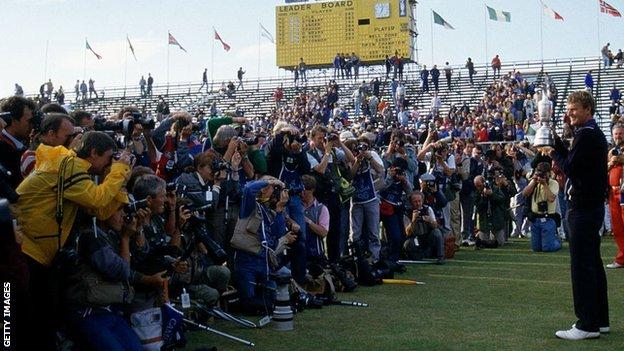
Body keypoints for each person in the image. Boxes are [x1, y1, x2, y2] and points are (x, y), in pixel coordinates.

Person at [14, 131, 132, 350]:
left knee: (41, 318)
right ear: (94, 153)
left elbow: (100, 210)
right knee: (26, 319)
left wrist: (120, 181)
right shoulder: (69, 166)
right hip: (27, 249)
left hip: (36, 249)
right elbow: (97, 198)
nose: (110, 163)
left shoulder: (71, 166)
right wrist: (119, 170)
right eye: (108, 158)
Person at [547, 90, 609, 340]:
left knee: (582, 266)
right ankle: (599, 320)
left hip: (583, 207)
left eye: (574, 109)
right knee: (592, 264)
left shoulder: (586, 135)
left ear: (588, 109)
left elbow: (570, 166)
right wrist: (555, 143)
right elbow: (574, 159)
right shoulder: (589, 133)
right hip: (589, 206)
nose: (569, 113)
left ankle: (586, 324)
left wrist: (553, 153)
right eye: (568, 108)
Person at [521, 162, 561, 252]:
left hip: (548, 219)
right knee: (536, 248)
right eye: (540, 173)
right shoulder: (535, 181)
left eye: (544, 173)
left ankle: (557, 241)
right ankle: (549, 240)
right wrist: (534, 181)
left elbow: (551, 198)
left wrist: (544, 184)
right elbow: (525, 194)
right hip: (535, 219)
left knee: (547, 248)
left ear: (548, 173)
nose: (542, 175)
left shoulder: (553, 183)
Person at [0, 96, 37, 188]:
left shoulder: (25, 143)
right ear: (13, 120)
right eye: (29, 121)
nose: (32, 125)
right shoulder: (2, 148)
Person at [404, 191, 445, 264]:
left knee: (437, 232)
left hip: (427, 237)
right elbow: (407, 232)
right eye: (415, 202)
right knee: (408, 244)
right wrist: (413, 220)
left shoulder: (428, 209)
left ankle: (440, 257)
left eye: (419, 201)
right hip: (414, 238)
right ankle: (418, 256)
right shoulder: (407, 212)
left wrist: (430, 221)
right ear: (411, 203)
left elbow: (436, 226)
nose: (418, 204)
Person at [606, 123, 624, 268]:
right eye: (616, 134)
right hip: (612, 193)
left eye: (620, 133)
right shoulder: (611, 151)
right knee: (617, 228)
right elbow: (604, 169)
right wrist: (611, 163)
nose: (618, 136)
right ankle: (621, 259)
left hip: (623, 192)